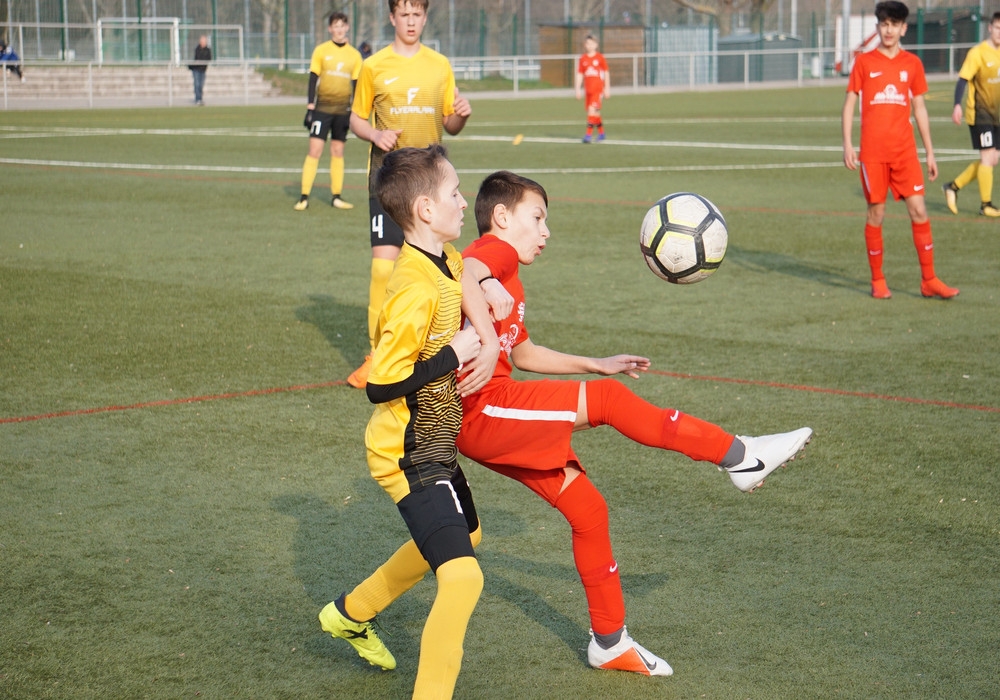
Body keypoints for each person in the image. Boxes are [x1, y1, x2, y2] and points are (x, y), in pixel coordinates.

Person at [457, 170, 812, 676]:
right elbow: (468, 267)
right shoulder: (496, 253)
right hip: (483, 410)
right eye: (537, 218)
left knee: (588, 509)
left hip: (495, 412)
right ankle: (740, 456)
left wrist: (595, 362)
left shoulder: (507, 270)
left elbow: (525, 353)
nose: (546, 231)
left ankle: (609, 642)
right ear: (501, 216)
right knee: (609, 402)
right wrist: (488, 280)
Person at [317, 145, 499, 700]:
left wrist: (487, 290)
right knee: (463, 578)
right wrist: (454, 353)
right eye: (455, 194)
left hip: (436, 443)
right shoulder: (414, 285)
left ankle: (351, 613)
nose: (464, 202)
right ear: (424, 209)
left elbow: (466, 272)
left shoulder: (444, 257)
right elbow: (380, 384)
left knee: (469, 535)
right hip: (406, 451)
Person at [346, 0, 472, 389]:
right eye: (404, 14)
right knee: (383, 269)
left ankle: (437, 346)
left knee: (438, 268)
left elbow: (451, 124)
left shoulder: (440, 65)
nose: (411, 21)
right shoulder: (373, 66)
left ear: (425, 17)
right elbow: (356, 118)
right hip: (387, 182)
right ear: (392, 18)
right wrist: (375, 134)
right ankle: (377, 356)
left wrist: (461, 114)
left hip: (430, 186)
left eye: (417, 14)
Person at [842, 1, 959, 300]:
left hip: (905, 153)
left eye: (894, 24)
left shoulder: (912, 64)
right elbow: (850, 103)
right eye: (884, 24)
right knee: (876, 213)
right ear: (878, 27)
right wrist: (848, 144)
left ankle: (929, 280)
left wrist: (930, 152)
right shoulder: (864, 62)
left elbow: (920, 109)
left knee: (919, 209)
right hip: (873, 154)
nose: (889, 30)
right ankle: (878, 280)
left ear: (904, 28)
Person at [294, 12, 363, 212]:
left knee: (338, 151)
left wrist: (355, 112)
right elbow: (313, 78)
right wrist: (310, 106)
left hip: (343, 110)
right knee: (314, 150)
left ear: (347, 28)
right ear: (330, 29)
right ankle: (304, 197)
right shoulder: (321, 50)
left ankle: (336, 197)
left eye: (342, 25)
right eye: (335, 26)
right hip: (322, 109)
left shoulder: (354, 55)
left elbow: (357, 86)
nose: (339, 29)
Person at [942, 12, 1000, 218]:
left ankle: (952, 187)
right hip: (980, 114)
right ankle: (986, 205)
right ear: (990, 28)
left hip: (998, 115)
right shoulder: (977, 53)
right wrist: (957, 105)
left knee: (992, 160)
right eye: (998, 28)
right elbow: (962, 80)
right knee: (987, 158)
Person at [575, 34, 609, 143]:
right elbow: (580, 74)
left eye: (592, 44)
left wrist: (607, 88)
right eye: (588, 44)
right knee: (595, 113)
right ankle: (602, 133)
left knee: (591, 110)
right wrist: (577, 89)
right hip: (588, 91)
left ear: (596, 45)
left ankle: (588, 135)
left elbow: (606, 73)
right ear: (585, 45)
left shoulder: (600, 58)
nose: (590, 46)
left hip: (598, 90)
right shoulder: (583, 59)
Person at [189, 35, 211, 106]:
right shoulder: (197, 49)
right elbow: (197, 58)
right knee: (197, 84)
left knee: (201, 85)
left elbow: (209, 58)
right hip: (196, 69)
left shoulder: (208, 50)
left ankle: (200, 98)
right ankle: (198, 99)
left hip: (203, 70)